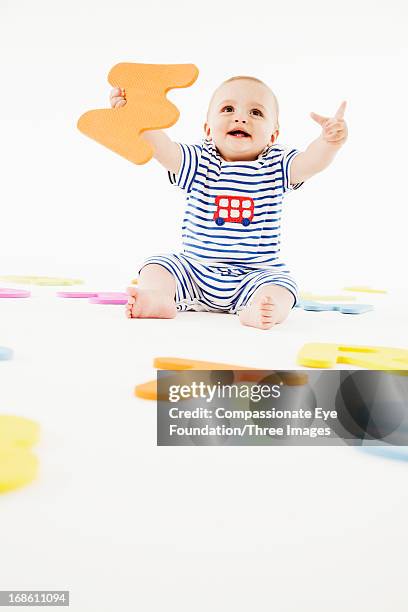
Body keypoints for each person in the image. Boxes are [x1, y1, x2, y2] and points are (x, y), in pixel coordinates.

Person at [110, 76, 347, 330]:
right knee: (157, 265)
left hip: (254, 276)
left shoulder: (277, 165)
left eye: (256, 112)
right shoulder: (200, 161)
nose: (241, 118)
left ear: (273, 135)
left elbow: (310, 162)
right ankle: (159, 297)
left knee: (283, 287)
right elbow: (163, 148)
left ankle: (260, 310)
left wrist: (328, 142)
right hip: (194, 271)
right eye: (228, 109)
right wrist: (132, 114)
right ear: (208, 129)